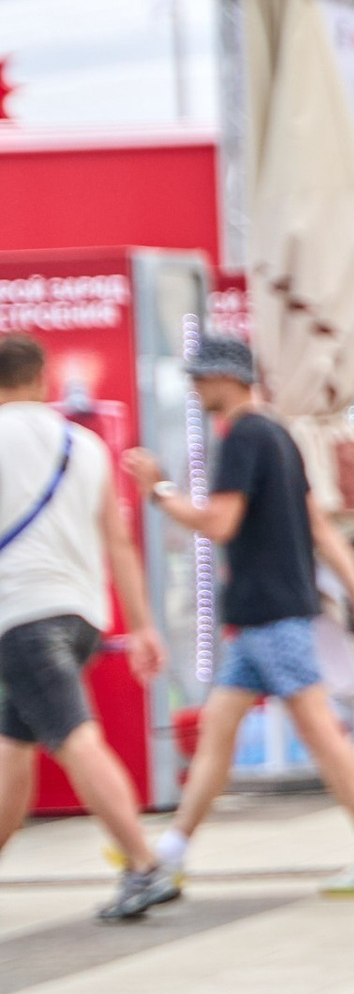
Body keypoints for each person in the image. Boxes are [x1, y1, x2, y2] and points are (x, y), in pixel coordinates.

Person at [132, 340, 354, 898]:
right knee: (219, 732)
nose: (194, 388)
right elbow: (321, 527)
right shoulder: (280, 435)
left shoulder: (243, 437)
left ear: (226, 377)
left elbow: (219, 522)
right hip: (269, 615)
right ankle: (172, 849)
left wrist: (159, 491)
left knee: (318, 733)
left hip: (270, 616)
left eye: (200, 377)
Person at [0, 334, 175, 923]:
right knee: (14, 748)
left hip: (20, 614)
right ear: (42, 379)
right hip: (80, 616)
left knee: (75, 737)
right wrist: (144, 627)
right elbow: (118, 542)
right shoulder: (86, 445)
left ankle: (145, 864)